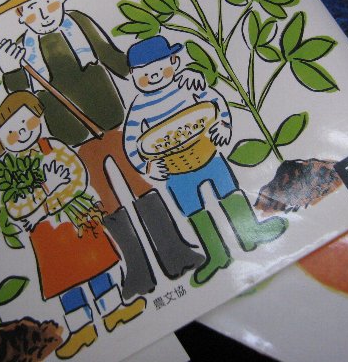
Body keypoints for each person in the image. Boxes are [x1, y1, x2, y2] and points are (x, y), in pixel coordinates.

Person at [0, 0, 204, 298]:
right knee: (105, 200)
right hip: (73, 140)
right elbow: (23, 103)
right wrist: (9, 72)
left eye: (49, 1)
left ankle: (176, 253)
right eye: (32, 8)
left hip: (111, 121)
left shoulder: (80, 23)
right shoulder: (21, 50)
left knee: (140, 183)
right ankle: (137, 272)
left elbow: (113, 57)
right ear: (21, 16)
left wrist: (156, 72)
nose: (44, 13)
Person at [0, 91, 146, 359]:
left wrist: (44, 205)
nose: (23, 133)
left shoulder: (54, 147)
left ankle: (113, 310)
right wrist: (48, 190)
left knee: (97, 266)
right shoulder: (11, 171)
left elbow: (78, 178)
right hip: (48, 235)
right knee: (66, 279)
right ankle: (80, 328)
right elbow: (16, 207)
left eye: (26, 122)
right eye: (12, 133)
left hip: (76, 220)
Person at [123, 36, 288, 286]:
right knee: (193, 210)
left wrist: (223, 124)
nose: (154, 76)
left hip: (208, 154)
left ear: (174, 61)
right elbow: (130, 142)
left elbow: (215, 100)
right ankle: (216, 254)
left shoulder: (188, 83)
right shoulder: (138, 108)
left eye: (159, 68)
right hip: (175, 171)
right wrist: (147, 166)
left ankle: (251, 232)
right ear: (133, 76)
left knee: (228, 190)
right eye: (145, 74)